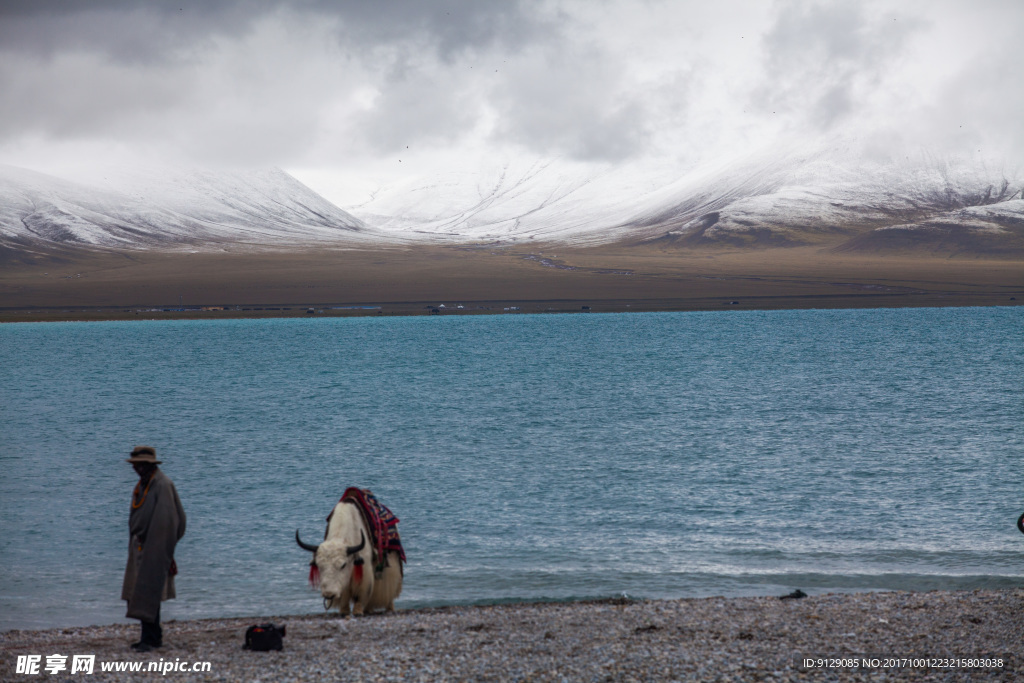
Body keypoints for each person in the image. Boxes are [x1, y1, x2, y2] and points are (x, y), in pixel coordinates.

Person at [121, 446, 186, 652]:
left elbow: (168, 520)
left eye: (139, 465)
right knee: (138, 592)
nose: (136, 469)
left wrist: (158, 547)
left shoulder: (162, 485)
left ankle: (151, 638)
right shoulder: (145, 484)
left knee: (149, 591)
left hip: (153, 546)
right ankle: (150, 635)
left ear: (148, 465)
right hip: (140, 546)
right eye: (135, 465)